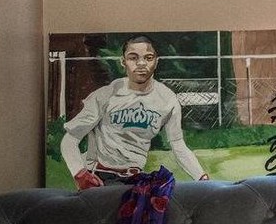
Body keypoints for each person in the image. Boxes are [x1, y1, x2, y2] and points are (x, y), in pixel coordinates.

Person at [61, 36, 209, 189]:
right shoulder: (105, 95)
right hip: (101, 177)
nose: (141, 63)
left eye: (148, 58)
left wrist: (202, 178)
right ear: (123, 61)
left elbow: (177, 144)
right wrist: (80, 174)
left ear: (156, 61)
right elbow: (70, 139)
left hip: (136, 179)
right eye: (133, 58)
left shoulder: (167, 99)